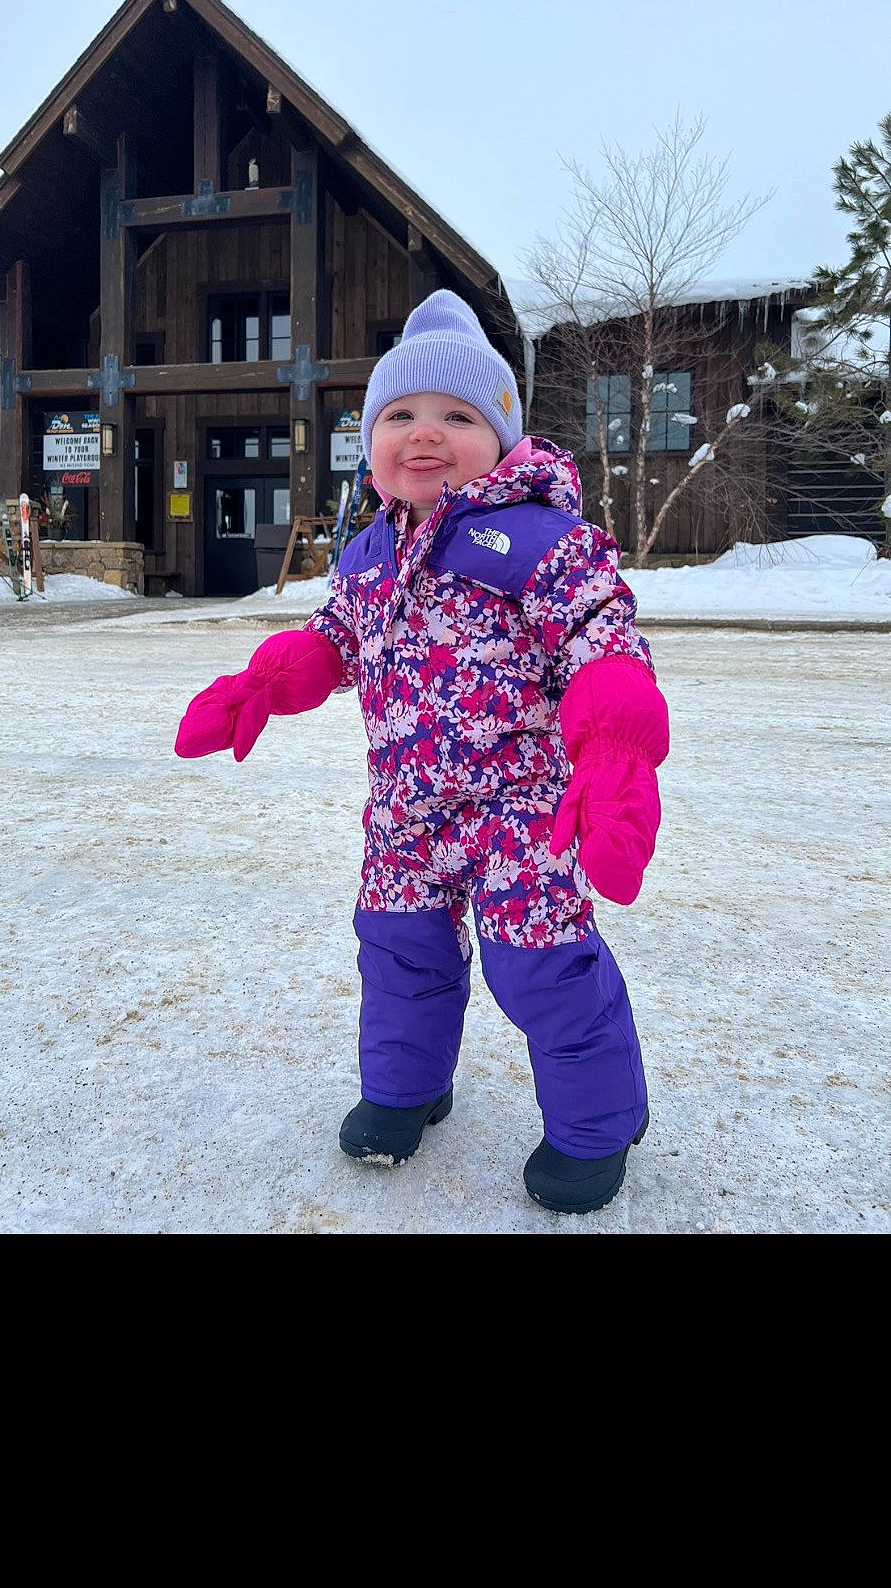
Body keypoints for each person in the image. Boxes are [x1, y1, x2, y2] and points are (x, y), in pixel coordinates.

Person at [175, 290, 669, 1215]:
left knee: (541, 963)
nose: (424, 433)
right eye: (399, 415)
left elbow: (604, 644)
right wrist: (265, 683)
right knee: (398, 950)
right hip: (405, 806)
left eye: (458, 415)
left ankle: (599, 1122)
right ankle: (407, 1089)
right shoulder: (367, 552)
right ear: (371, 439)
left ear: (504, 436)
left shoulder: (545, 543)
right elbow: (335, 638)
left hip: (521, 808)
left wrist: (614, 753)